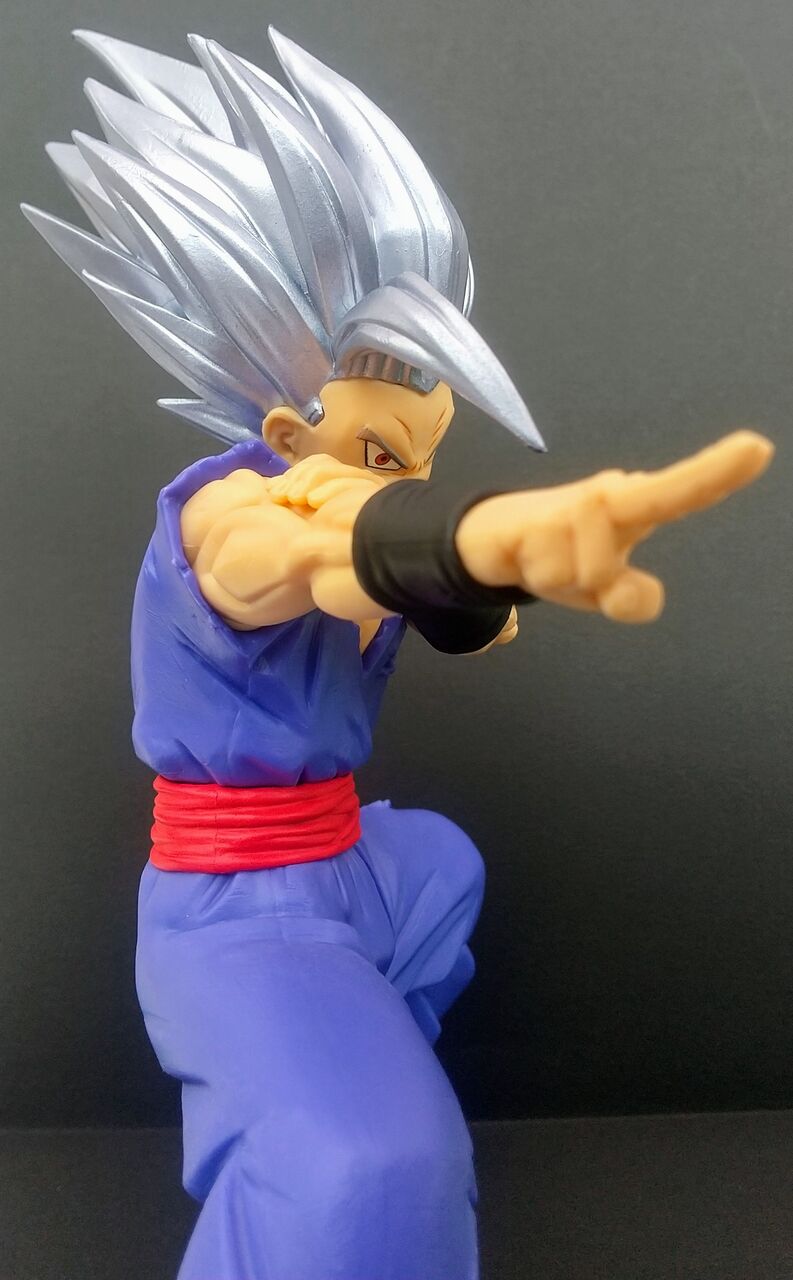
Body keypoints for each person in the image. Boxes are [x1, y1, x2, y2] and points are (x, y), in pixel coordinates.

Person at [23, 27, 773, 1280]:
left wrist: (495, 558)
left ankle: (332, 1078)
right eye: (383, 452)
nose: (404, 479)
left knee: (442, 868)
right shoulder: (227, 518)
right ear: (285, 428)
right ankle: (317, 1153)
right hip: (235, 909)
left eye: (420, 457)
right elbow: (316, 549)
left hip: (351, 872)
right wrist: (468, 533)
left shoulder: (369, 509)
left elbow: (436, 587)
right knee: (377, 1161)